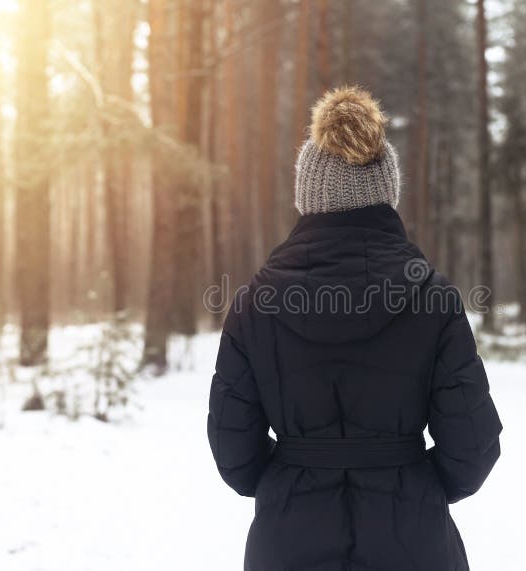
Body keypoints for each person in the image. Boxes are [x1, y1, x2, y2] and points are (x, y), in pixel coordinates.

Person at [207, 86, 502, 570]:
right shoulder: (435, 298)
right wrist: (412, 482)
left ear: (308, 194)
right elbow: (471, 448)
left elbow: (234, 455)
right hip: (413, 542)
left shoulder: (253, 304)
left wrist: (292, 477)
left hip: (288, 540)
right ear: (387, 192)